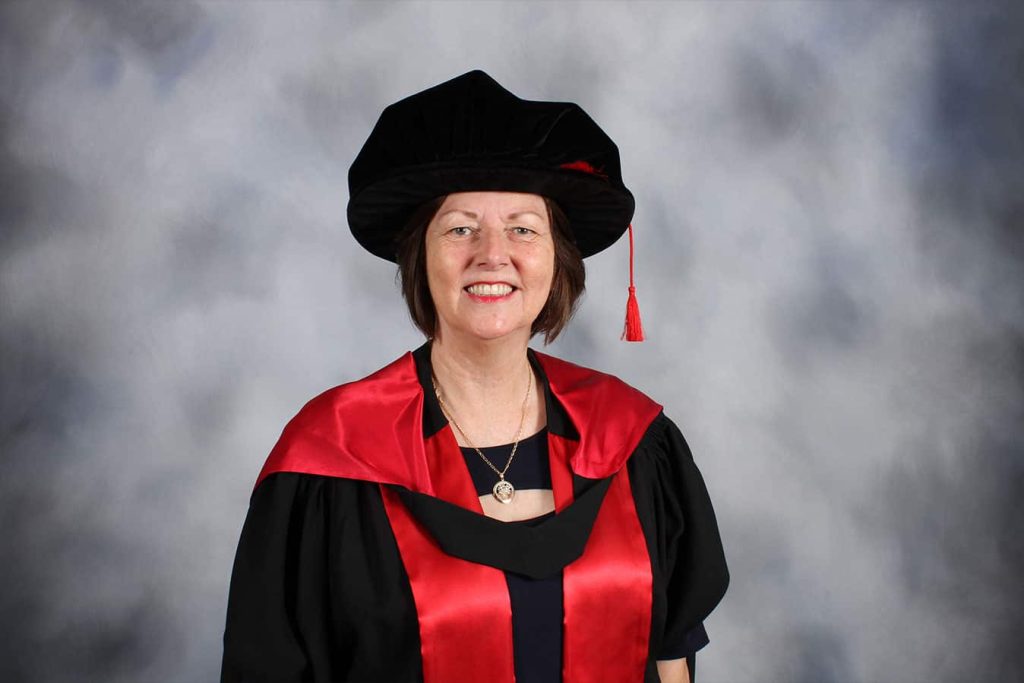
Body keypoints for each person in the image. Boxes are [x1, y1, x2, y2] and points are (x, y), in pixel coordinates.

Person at [221, 70, 728, 683]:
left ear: (556, 259)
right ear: (420, 256)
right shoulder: (330, 456)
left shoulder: (634, 439)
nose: (492, 254)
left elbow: (671, 656)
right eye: (460, 228)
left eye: (523, 228)